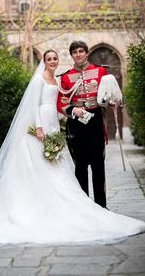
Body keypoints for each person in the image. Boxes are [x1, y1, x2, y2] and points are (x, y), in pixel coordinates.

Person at [0, 50, 145, 244]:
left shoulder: (57, 80)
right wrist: (40, 128)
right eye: (49, 59)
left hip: (54, 123)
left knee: (56, 165)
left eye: (56, 59)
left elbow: (60, 103)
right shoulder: (38, 80)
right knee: (37, 163)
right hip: (41, 125)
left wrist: (72, 112)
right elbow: (35, 105)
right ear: (44, 61)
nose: (53, 62)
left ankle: (67, 202)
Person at [57, 41, 108, 208]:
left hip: (95, 120)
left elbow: (109, 94)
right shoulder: (65, 77)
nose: (78, 54)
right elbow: (61, 103)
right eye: (75, 52)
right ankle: (85, 207)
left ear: (87, 53)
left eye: (81, 51)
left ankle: (101, 205)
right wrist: (73, 110)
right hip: (76, 123)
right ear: (71, 55)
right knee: (80, 165)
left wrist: (112, 101)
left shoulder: (100, 71)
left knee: (98, 164)